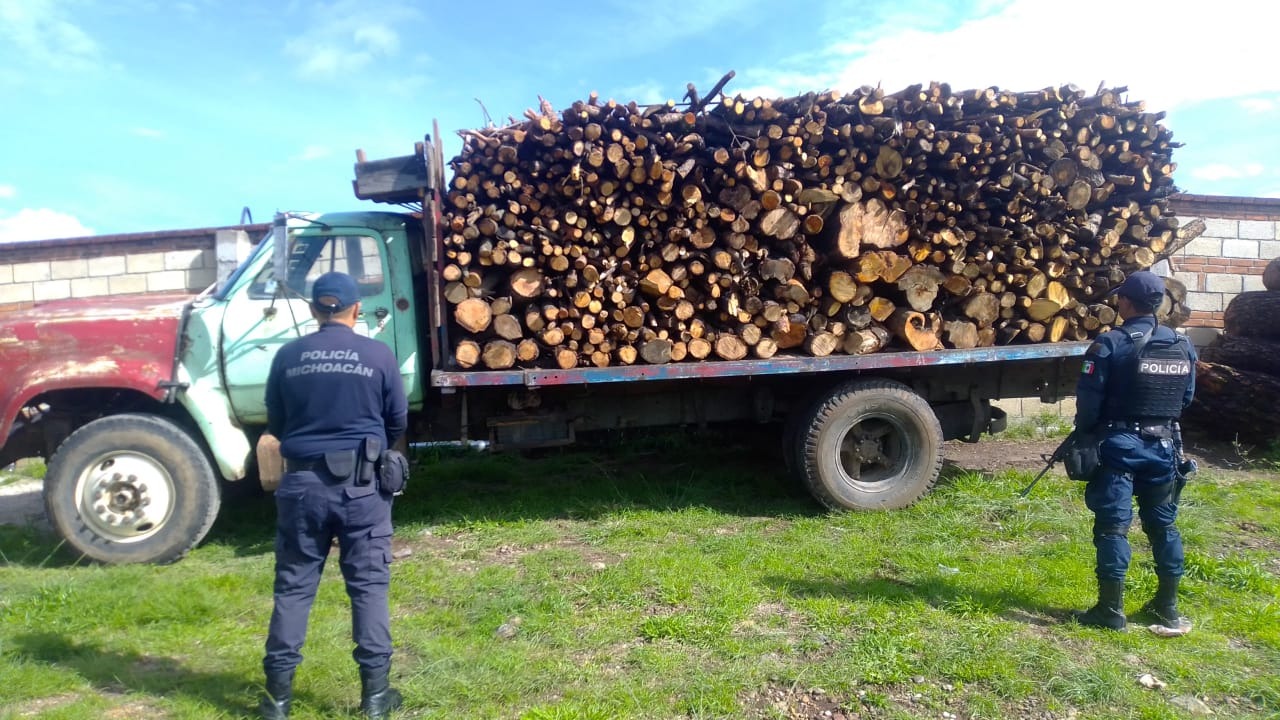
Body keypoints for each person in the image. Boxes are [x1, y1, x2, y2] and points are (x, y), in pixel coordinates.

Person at [260, 271, 408, 718]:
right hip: (363, 490)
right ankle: (376, 698)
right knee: (368, 588)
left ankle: (277, 701)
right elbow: (396, 422)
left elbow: (277, 423)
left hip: (302, 487)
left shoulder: (288, 356)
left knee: (294, 588)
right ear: (356, 310)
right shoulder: (378, 355)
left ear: (312, 310)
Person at [1071, 270, 1197, 632]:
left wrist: (1086, 435)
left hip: (1119, 449)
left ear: (1126, 302)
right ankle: (1167, 608)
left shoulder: (1110, 344)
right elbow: (1185, 398)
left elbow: (1088, 405)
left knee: (1113, 528)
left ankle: (1110, 611)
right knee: (1164, 527)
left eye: (1120, 298)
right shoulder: (1182, 344)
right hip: (1163, 448)